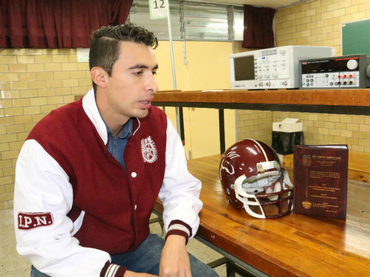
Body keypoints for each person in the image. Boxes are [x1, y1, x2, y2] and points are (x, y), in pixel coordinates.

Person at [14, 23, 219, 277]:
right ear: (101, 77)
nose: (152, 85)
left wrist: (175, 240)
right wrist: (118, 275)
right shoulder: (50, 141)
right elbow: (41, 241)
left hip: (135, 247)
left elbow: (180, 188)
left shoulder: (158, 124)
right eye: (137, 73)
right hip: (70, 256)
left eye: (153, 72)